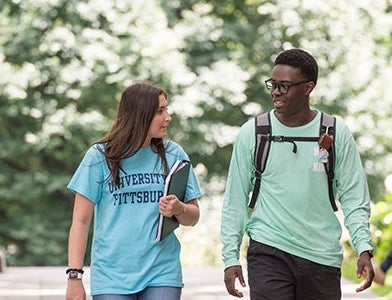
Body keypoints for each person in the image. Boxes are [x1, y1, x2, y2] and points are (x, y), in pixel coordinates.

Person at [221, 48, 374, 299]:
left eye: (285, 86)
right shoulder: (255, 132)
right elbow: (235, 199)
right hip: (268, 249)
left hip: (321, 255)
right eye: (273, 84)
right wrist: (230, 257)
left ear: (308, 88)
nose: (276, 92)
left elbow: (354, 196)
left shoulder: (335, 132)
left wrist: (363, 248)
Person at [65, 81, 201, 300]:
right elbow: (80, 222)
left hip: (162, 272)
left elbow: (193, 217)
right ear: (139, 114)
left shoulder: (175, 154)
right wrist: (74, 277)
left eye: (166, 109)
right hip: (111, 276)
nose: (168, 117)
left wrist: (179, 208)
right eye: (160, 111)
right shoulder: (99, 156)